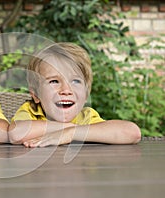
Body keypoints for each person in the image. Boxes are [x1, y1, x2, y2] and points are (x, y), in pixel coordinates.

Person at [8, 42, 141, 147]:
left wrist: (71, 134)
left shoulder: (86, 116)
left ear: (86, 93)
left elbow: (132, 133)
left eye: (75, 81)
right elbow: (16, 133)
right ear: (36, 94)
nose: (66, 90)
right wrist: (72, 128)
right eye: (54, 81)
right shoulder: (31, 111)